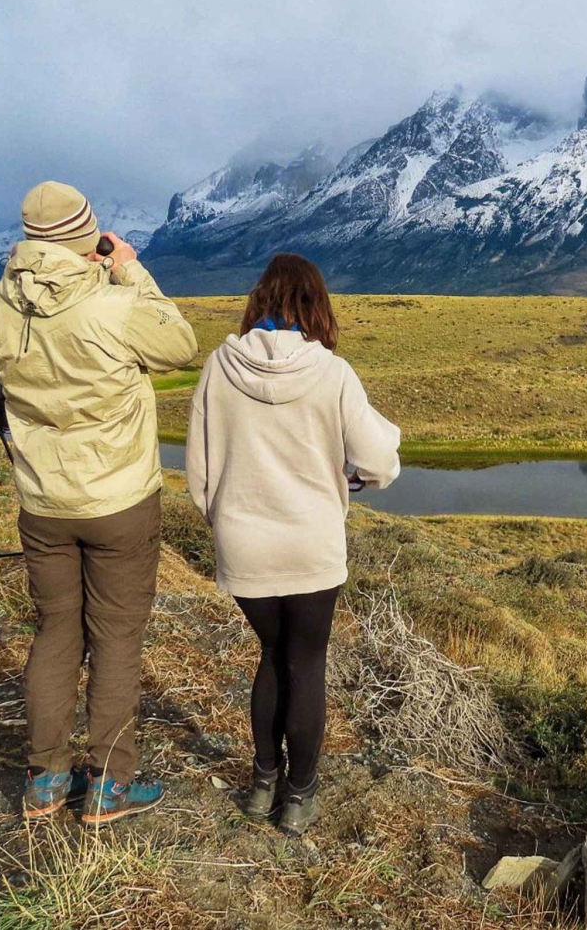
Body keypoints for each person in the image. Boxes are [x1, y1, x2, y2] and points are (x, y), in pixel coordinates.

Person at [0, 181, 198, 824]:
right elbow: (180, 344)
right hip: (118, 499)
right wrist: (129, 269)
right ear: (88, 237)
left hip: (43, 500)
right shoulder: (113, 306)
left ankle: (45, 778)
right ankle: (108, 784)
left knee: (55, 631)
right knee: (116, 638)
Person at [186, 252, 400, 836]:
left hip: (244, 544)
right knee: (305, 662)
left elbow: (200, 476)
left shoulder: (218, 367)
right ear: (316, 305)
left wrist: (227, 522)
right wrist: (360, 476)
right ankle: (299, 797)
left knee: (271, 655)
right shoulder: (333, 372)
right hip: (312, 545)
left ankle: (263, 785)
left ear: (259, 299)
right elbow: (378, 461)